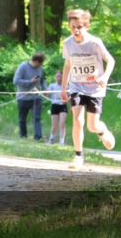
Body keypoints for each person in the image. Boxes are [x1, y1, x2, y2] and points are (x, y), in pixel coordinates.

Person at [60, 9, 116, 169]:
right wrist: (63, 88)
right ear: (69, 27)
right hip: (76, 86)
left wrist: (104, 77)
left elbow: (110, 60)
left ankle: (102, 132)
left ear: (86, 26)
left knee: (92, 126)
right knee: (77, 120)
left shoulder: (94, 42)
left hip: (94, 89)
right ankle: (78, 155)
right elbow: (68, 65)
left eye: (79, 27)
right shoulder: (67, 44)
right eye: (73, 27)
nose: (76, 30)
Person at [14, 52, 46, 141]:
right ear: (35, 61)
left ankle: (38, 138)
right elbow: (16, 81)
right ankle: (23, 137)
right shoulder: (23, 66)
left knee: (37, 118)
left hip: (36, 97)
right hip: (23, 97)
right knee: (22, 118)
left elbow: (43, 80)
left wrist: (45, 89)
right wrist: (30, 81)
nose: (40, 66)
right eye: (39, 64)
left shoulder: (40, 68)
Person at [48, 70, 68, 144]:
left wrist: (66, 99)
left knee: (62, 124)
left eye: (60, 76)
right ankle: (51, 139)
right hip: (55, 105)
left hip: (63, 106)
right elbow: (46, 94)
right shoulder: (52, 85)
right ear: (55, 77)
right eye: (57, 76)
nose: (59, 78)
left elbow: (69, 97)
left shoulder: (66, 86)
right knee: (54, 125)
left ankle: (62, 141)